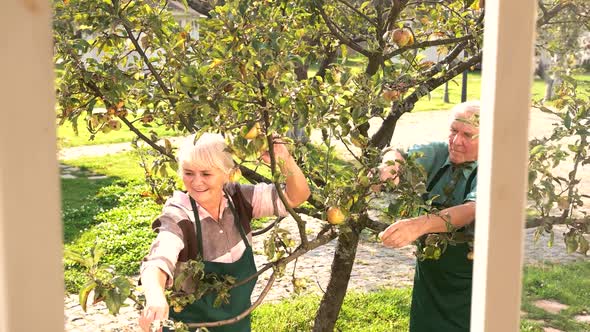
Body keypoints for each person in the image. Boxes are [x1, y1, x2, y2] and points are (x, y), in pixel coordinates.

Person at [138, 133, 311, 332]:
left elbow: (296, 196)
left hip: (235, 324)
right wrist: (155, 296)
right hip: (189, 326)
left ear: (227, 174)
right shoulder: (179, 214)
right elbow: (159, 259)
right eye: (188, 173)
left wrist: (284, 159)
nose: (196, 182)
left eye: (206, 174)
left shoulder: (239, 199)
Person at [378, 101, 480, 332]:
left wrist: (419, 225)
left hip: (469, 279)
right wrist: (390, 166)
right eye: (453, 131)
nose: (456, 141)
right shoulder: (438, 151)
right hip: (431, 275)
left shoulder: (493, 169)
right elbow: (398, 153)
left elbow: (471, 210)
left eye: (468, 135)